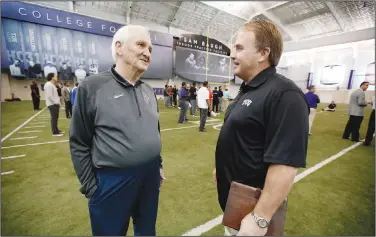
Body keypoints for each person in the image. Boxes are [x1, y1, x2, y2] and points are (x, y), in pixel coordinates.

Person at [214, 20, 309, 236]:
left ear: (263, 53)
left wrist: (260, 218)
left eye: (239, 47)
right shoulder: (248, 89)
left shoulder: (285, 95)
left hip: (253, 215)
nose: (232, 54)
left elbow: (285, 164)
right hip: (236, 208)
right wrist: (220, 167)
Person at [69, 25, 166, 236]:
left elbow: (154, 131)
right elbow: (79, 141)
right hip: (112, 180)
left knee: (147, 231)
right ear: (119, 47)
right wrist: (91, 186)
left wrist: (157, 165)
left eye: (150, 48)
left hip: (149, 176)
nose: (147, 53)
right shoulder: (92, 87)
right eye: (141, 45)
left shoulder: (148, 90)